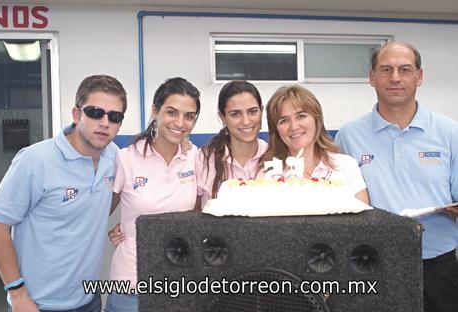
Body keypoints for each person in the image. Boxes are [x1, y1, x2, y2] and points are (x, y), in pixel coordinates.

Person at [335, 42, 458, 312]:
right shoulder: (348, 137)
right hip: (371, 265)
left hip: (439, 266)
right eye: (386, 69)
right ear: (371, 77)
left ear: (419, 76)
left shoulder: (450, 133)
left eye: (405, 69)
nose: (395, 78)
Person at [0, 75, 127, 312]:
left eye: (114, 117)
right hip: (38, 304)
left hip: (88, 301)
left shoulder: (114, 157)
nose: (105, 122)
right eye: (95, 112)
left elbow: (108, 198)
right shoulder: (34, 161)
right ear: (76, 114)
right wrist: (18, 293)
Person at [104, 77, 201, 312]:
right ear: (155, 111)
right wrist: (115, 229)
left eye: (189, 116)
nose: (180, 122)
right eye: (172, 112)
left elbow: (199, 216)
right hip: (131, 285)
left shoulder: (195, 157)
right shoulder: (125, 159)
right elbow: (97, 211)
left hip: (180, 283)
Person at [259, 85, 369, 204]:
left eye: (301, 116)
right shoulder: (267, 173)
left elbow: (365, 219)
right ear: (276, 130)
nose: (294, 126)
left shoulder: (345, 166)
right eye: (284, 120)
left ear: (317, 120)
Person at [195, 80, 267, 208]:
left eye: (252, 111)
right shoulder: (203, 158)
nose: (246, 121)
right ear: (222, 117)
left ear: (261, 111)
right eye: (235, 114)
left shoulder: (275, 156)